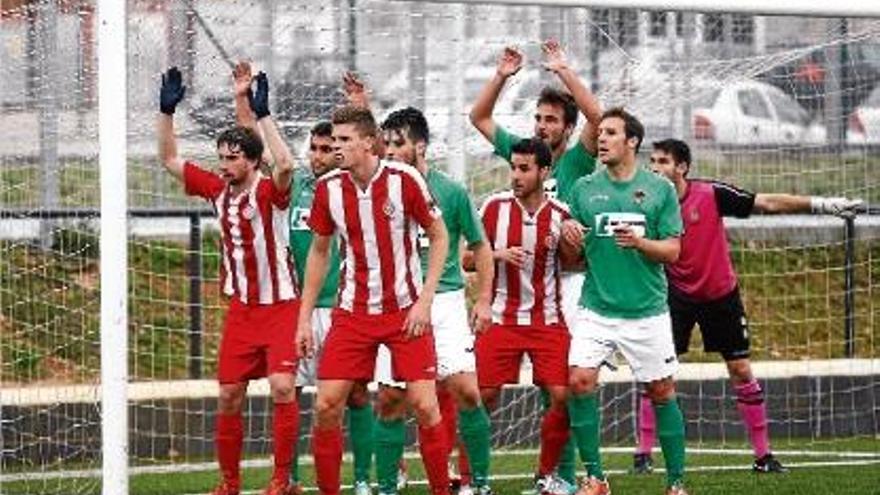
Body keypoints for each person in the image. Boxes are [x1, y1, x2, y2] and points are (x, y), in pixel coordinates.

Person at [636, 138, 863, 475]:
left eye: (663, 161)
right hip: (674, 296)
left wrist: (821, 203)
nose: (655, 168)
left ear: (682, 167)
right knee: (658, 373)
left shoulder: (710, 194)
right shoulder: (645, 203)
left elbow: (767, 202)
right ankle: (643, 455)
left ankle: (763, 456)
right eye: (652, 161)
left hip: (720, 295)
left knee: (741, 369)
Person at [342, 74, 495, 495]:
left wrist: (483, 300)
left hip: (444, 302)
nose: (389, 151)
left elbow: (480, 249)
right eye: (385, 145)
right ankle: (388, 487)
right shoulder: (381, 189)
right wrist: (361, 104)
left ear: (420, 146)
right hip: (399, 305)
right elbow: (361, 148)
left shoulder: (451, 191)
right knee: (391, 399)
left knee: (465, 391)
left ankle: (477, 484)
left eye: (397, 144)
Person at [231, 62, 376, 495]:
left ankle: (365, 479)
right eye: (313, 147)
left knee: (355, 396)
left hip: (346, 309)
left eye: (326, 147)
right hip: (296, 309)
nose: (317, 155)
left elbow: (376, 154)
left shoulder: (352, 186)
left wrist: (360, 107)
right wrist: (245, 100)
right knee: (288, 392)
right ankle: (288, 479)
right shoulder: (294, 188)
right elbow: (254, 147)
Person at [158, 66, 299, 495]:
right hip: (242, 312)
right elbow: (169, 159)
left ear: (253, 161)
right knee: (228, 398)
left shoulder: (270, 191)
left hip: (281, 307)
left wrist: (262, 113)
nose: (224, 165)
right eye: (221, 158)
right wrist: (166, 112)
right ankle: (229, 482)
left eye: (232, 158)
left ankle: (280, 480)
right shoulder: (217, 189)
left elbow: (286, 163)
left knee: (281, 387)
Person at [296, 106, 451, 495]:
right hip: (352, 312)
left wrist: (425, 300)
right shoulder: (329, 188)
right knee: (327, 405)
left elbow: (440, 235)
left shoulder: (404, 180)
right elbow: (319, 252)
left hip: (405, 311)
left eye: (345, 140)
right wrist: (302, 319)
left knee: (425, 405)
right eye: (334, 141)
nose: (336, 148)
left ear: (369, 143)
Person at [470, 41, 602, 489]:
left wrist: (564, 70)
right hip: (515, 287)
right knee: (487, 391)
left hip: (568, 283)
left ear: (567, 128)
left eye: (551, 120)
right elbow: (480, 119)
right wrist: (502, 76)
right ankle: (471, 474)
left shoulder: (579, 160)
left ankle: (561, 477)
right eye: (539, 118)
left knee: (560, 389)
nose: (542, 126)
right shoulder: (522, 156)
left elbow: (599, 119)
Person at [561, 108, 688, 495]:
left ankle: (676, 483)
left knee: (662, 392)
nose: (601, 139)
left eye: (611, 133)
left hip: (646, 311)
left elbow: (673, 251)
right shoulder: (583, 189)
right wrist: (569, 238)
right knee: (579, 383)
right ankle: (596, 478)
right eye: (600, 133)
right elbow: (574, 260)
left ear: (631, 141)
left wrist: (640, 243)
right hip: (596, 307)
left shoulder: (659, 189)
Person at [474, 137, 581, 495]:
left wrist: (571, 244)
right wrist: (498, 254)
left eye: (524, 169)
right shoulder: (493, 208)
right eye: (513, 168)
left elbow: (573, 265)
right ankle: (471, 478)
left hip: (546, 320)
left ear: (544, 171)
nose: (516, 176)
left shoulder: (560, 215)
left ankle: (546, 476)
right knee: (481, 396)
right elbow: (465, 259)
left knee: (563, 396)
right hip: (501, 319)